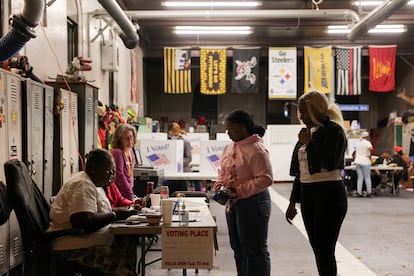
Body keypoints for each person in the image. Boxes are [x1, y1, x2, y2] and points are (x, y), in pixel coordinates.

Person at [285, 90, 348, 276]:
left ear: (317, 111)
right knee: (317, 248)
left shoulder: (334, 131)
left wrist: (310, 144)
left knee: (324, 249)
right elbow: (300, 172)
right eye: (301, 112)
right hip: (308, 195)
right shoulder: (305, 134)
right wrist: (292, 202)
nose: (302, 117)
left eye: (304, 112)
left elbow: (329, 163)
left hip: (329, 194)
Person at [48, 148, 138, 274]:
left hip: (87, 240)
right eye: (108, 171)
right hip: (73, 245)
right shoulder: (83, 185)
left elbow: (98, 212)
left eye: (113, 171)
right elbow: (82, 220)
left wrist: (125, 211)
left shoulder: (94, 184)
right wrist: (115, 215)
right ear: (94, 168)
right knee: (122, 260)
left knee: (127, 240)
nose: (112, 175)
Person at [213, 109, 273, 276]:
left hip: (254, 203)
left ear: (243, 128)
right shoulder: (228, 147)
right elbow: (222, 170)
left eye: (231, 128)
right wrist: (219, 184)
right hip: (233, 204)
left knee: (255, 251)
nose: (228, 132)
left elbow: (266, 178)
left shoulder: (256, 150)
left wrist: (238, 190)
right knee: (238, 249)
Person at [110, 123, 137, 201]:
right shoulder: (117, 152)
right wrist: (129, 195)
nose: (130, 141)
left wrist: (130, 192)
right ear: (119, 139)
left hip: (127, 192)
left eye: (131, 137)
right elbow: (119, 176)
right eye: (126, 138)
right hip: (118, 194)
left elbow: (130, 174)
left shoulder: (130, 151)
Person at [167, 122, 192, 194]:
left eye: (172, 133)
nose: (171, 135)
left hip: (182, 173)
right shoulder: (168, 142)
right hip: (170, 173)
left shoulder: (185, 142)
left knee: (181, 193)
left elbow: (189, 158)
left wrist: (178, 164)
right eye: (170, 134)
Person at [354, 131, 373, 197]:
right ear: (367, 136)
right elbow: (370, 148)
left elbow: (356, 151)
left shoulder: (358, 142)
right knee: (367, 177)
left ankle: (359, 192)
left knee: (360, 178)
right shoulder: (367, 142)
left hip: (358, 161)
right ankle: (369, 192)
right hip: (365, 161)